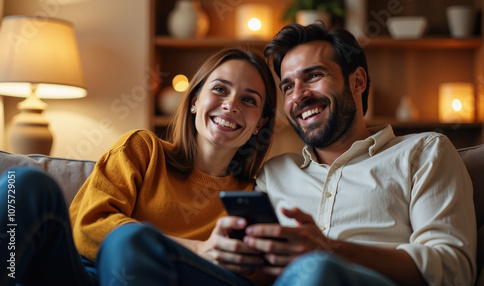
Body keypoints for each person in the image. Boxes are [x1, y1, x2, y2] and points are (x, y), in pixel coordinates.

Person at [0, 47, 277, 285]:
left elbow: (255, 276)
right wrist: (199, 248)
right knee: (23, 184)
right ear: (194, 101)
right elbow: (88, 227)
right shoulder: (143, 149)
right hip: (81, 276)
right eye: (220, 89)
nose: (231, 105)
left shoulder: (251, 197)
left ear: (260, 124)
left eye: (248, 99)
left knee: (130, 238)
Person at [237, 23, 476, 286]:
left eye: (313, 76)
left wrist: (329, 249)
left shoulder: (423, 152)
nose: (299, 96)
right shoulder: (273, 175)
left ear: (357, 81)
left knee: (317, 268)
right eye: (288, 87)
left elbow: (453, 270)